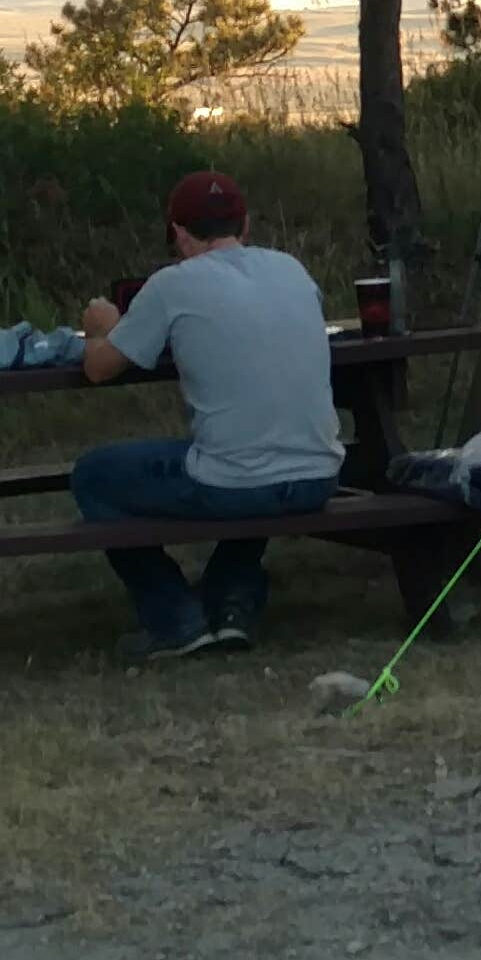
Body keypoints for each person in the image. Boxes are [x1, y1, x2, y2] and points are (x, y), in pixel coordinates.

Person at [69, 169, 345, 658]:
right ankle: (231, 599)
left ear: (177, 232)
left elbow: (100, 368)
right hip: (319, 473)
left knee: (94, 477)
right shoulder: (291, 269)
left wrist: (101, 328)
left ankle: (174, 617)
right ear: (246, 226)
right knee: (252, 453)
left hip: (240, 481)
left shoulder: (172, 284)